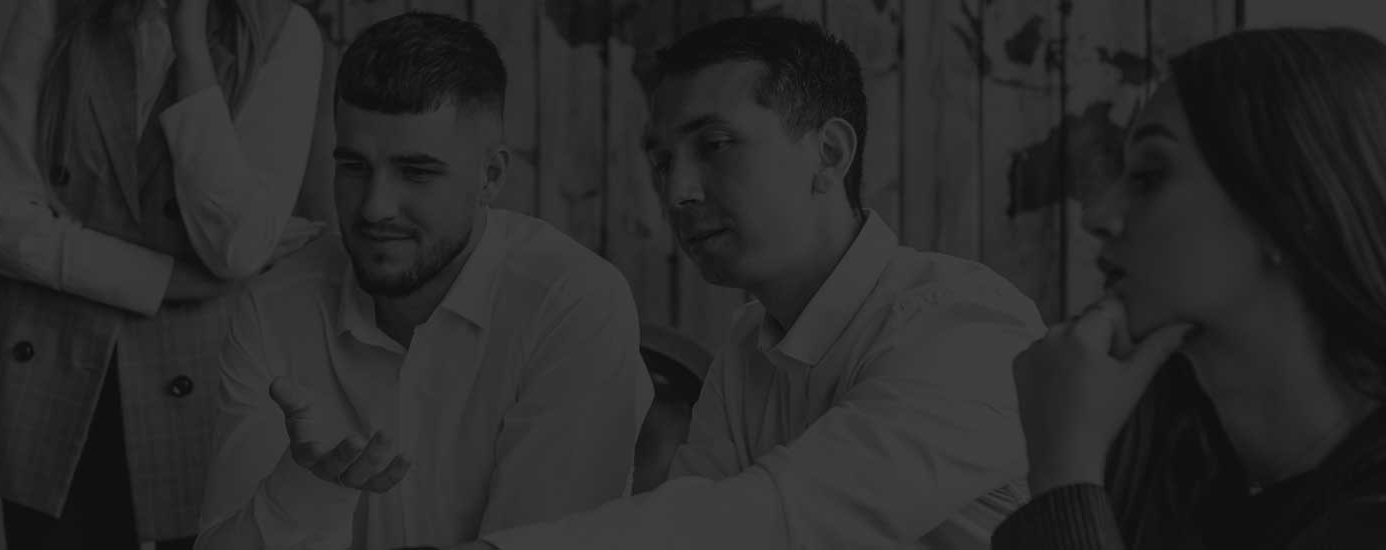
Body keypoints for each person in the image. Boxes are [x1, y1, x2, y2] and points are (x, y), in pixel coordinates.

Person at [434, 15, 1046, 550]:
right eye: (662, 162)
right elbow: (695, 518)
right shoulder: (749, 343)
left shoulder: (965, 324)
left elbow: (773, 519)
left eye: (715, 145)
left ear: (830, 154)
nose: (677, 191)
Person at [194, 12, 653, 550]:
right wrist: (300, 493)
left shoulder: (571, 303)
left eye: (416, 172)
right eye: (354, 167)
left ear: (491, 177)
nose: (375, 207)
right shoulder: (273, 306)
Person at [993, 27, 1386, 550]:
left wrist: (1064, 473)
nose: (1097, 216)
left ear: (1287, 210)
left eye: (1149, 175)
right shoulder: (1172, 466)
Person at [0, 0, 326, 547]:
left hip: (197, 374)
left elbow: (236, 248)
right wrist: (160, 278)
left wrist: (192, 48)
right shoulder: (54, 10)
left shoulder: (284, 30)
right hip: (50, 364)